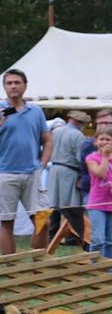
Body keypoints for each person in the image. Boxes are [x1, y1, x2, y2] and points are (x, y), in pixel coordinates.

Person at [0, 68, 52, 255]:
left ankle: (36, 267)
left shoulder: (36, 111)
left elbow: (48, 140)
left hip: (32, 173)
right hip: (5, 173)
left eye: (17, 82)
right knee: (7, 222)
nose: (13, 86)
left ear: (25, 85)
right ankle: (11, 267)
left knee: (44, 221)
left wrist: (42, 164)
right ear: (4, 87)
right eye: (9, 83)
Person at [46, 110, 90, 247]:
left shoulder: (55, 132)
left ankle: (52, 236)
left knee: (55, 205)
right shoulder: (78, 136)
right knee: (71, 206)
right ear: (79, 122)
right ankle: (77, 237)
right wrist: (82, 176)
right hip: (69, 172)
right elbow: (80, 159)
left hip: (54, 170)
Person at [85, 130, 112, 258]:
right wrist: (106, 157)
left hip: (110, 203)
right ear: (95, 142)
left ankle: (108, 269)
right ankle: (95, 267)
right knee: (98, 239)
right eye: (101, 139)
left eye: (108, 139)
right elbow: (100, 174)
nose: (104, 142)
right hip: (97, 203)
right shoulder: (91, 158)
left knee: (110, 241)